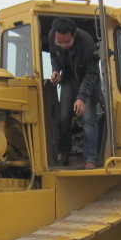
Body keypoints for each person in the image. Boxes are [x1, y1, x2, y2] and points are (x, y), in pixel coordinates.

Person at [48, 17, 104, 169]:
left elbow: (91, 74)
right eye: (60, 43)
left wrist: (81, 98)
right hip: (68, 80)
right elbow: (54, 56)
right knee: (64, 116)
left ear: (74, 35)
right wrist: (55, 70)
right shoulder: (53, 37)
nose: (63, 46)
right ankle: (64, 151)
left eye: (67, 42)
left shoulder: (87, 43)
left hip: (88, 81)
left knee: (88, 119)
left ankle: (90, 159)